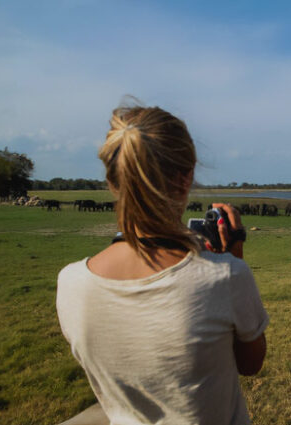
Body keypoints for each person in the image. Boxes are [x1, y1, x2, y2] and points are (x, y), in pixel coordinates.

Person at [56, 104, 269, 425]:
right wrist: (232, 257)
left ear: (113, 181)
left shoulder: (71, 282)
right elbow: (251, 364)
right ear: (186, 179)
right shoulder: (225, 275)